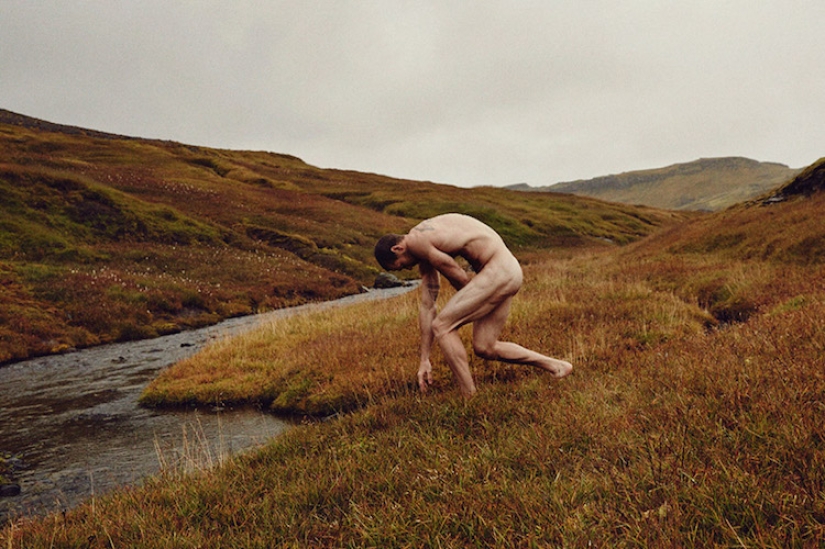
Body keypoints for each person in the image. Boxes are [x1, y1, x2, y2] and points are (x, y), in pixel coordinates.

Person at [374, 213, 573, 396]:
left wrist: (470, 302)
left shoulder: (417, 242)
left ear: (397, 249)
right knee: (485, 346)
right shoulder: (422, 246)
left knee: (443, 326)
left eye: (401, 265)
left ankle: (469, 396)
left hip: (498, 270)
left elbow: (457, 273)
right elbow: (427, 306)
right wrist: (424, 359)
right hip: (505, 271)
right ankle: (557, 366)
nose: (408, 267)